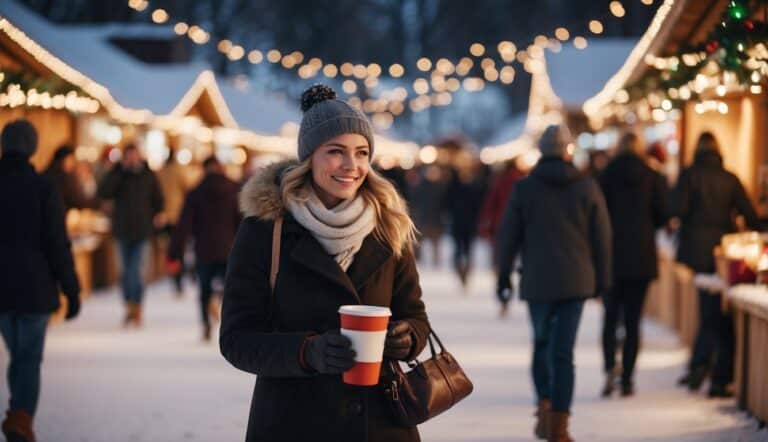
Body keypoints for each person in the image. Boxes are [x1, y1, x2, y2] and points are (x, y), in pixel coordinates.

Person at [220, 84, 431, 442]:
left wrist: (406, 337)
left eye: (362, 153)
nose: (352, 166)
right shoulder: (265, 231)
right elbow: (237, 339)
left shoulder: (387, 226)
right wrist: (307, 352)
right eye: (336, 152)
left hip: (379, 423)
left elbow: (416, 316)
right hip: (294, 421)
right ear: (309, 157)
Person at [496, 125, 612, 442]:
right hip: (577, 280)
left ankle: (544, 408)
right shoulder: (587, 187)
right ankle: (559, 427)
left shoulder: (524, 188)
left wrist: (503, 275)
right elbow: (602, 237)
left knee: (542, 343)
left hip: (538, 279)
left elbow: (507, 237)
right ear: (568, 151)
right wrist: (604, 280)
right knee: (564, 353)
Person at [0, 120, 81, 442]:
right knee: (29, 357)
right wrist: (71, 290)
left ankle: (17, 413)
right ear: (32, 148)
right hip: (36, 287)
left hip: (2, 289)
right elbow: (57, 243)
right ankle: (21, 419)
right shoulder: (44, 188)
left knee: (18, 354)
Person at [673, 132, 761, 398]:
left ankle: (703, 366)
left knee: (710, 310)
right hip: (724, 252)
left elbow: (677, 208)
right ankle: (713, 372)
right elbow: (749, 213)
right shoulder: (729, 178)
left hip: (696, 252)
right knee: (716, 313)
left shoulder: (689, 176)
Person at [598, 133, 669, 397]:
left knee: (609, 317)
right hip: (640, 258)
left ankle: (609, 369)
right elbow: (663, 215)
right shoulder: (653, 177)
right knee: (633, 320)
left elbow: (596, 216)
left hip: (610, 257)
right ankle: (627, 378)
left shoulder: (605, 176)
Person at [168, 156, 240, 341]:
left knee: (204, 289)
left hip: (204, 249)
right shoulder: (234, 189)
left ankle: (206, 325)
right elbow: (242, 222)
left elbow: (184, 224)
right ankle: (220, 302)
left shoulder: (196, 192)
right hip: (228, 248)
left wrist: (175, 250)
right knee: (229, 286)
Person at [98, 143, 164, 327]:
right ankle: (129, 305)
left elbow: (158, 199)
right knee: (124, 272)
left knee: (137, 271)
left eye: (135, 155)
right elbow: (103, 192)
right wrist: (119, 172)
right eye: (129, 156)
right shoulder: (117, 174)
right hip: (121, 231)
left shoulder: (147, 175)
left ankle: (137, 306)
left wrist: (159, 214)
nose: (132, 159)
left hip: (142, 231)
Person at [156, 149, 189, 295]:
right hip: (177, 216)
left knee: (169, 248)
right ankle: (178, 278)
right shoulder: (179, 171)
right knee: (178, 249)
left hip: (164, 216)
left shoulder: (161, 171)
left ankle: (172, 273)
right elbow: (187, 188)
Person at [44, 145, 95, 213]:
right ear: (63, 159)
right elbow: (75, 199)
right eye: (71, 159)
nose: (72, 163)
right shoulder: (60, 177)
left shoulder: (55, 174)